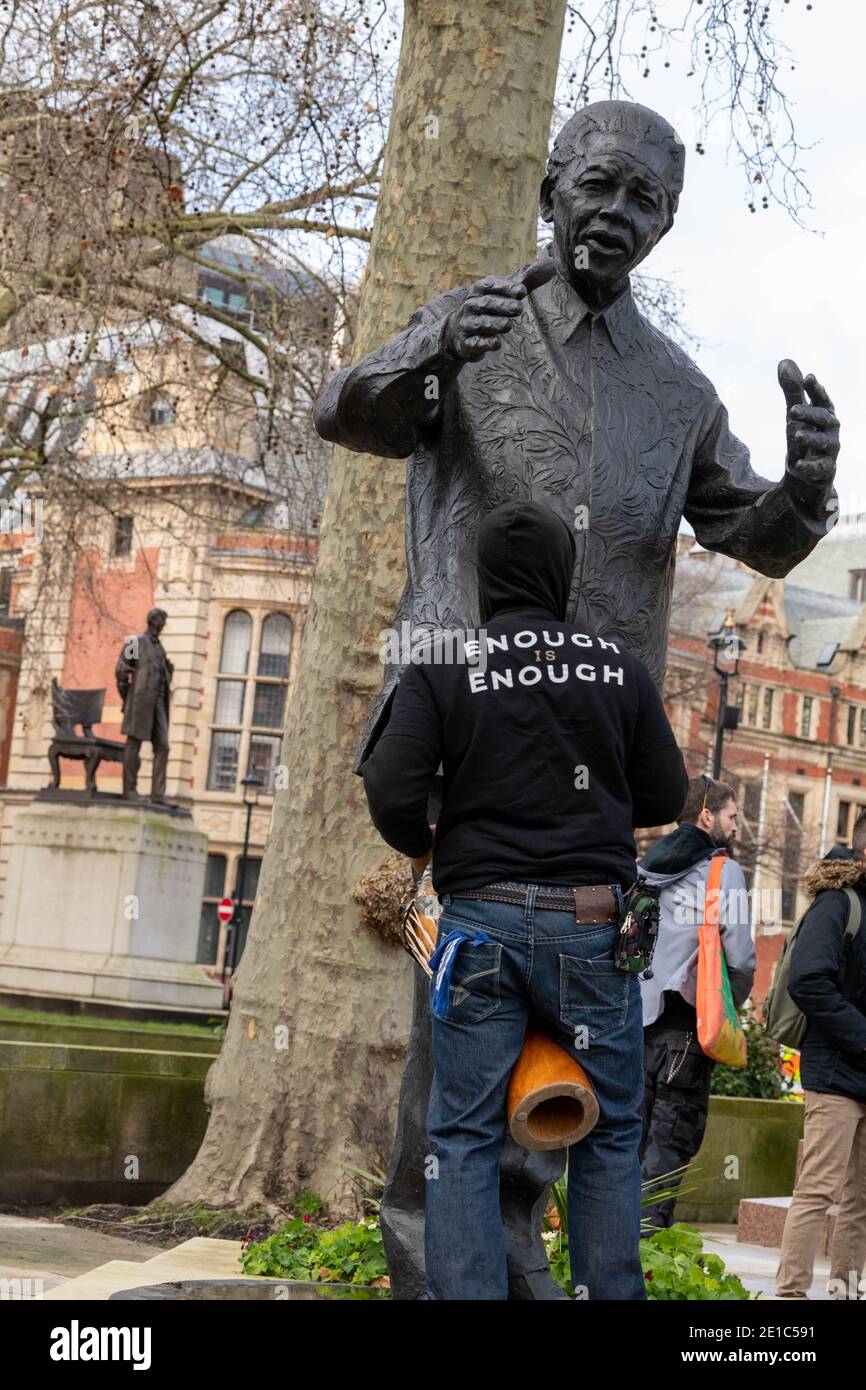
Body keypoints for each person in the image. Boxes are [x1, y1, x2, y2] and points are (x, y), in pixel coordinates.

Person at [315, 98, 840, 1297]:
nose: (616, 213)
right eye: (597, 185)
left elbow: (748, 532)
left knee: (563, 1075)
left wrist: (804, 488)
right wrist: (426, 352)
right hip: (467, 729)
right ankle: (455, 1279)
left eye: (642, 200)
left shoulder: (677, 390)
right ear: (550, 186)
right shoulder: (470, 321)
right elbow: (346, 412)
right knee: (454, 1076)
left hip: (597, 757)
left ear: (663, 226)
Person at [362, 500, 688, 1300]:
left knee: (464, 1135)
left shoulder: (443, 668)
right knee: (610, 1133)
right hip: (591, 922)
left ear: (483, 582)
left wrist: (423, 841)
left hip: (479, 926)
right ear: (560, 577)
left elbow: (390, 783)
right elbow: (668, 793)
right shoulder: (618, 668)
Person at [638, 774, 755, 1227]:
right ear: (707, 816)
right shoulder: (725, 873)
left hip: (639, 1022)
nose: (736, 827)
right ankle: (647, 1253)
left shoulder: (645, 866)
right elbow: (742, 959)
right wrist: (728, 1005)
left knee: (631, 1141)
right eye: (731, 816)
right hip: (688, 1027)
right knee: (671, 1141)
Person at [775, 811, 866, 1300]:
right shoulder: (838, 905)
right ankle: (790, 1300)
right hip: (834, 1071)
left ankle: (847, 1294)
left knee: (861, 1202)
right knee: (817, 1193)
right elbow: (807, 980)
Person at [115, 607, 173, 804]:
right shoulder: (134, 641)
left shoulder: (160, 648)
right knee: (134, 745)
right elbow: (122, 671)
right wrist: (128, 697)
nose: (163, 626)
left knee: (163, 745)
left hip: (159, 703)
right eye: (161, 622)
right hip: (139, 700)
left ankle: (158, 794)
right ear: (153, 621)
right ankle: (129, 790)